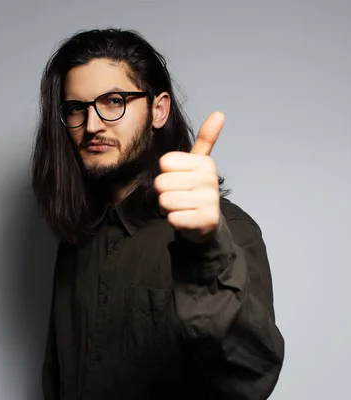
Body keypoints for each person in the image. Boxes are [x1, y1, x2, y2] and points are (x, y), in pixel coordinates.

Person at [31, 28, 285, 400]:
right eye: (76, 108)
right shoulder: (79, 238)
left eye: (114, 101)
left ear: (159, 109)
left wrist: (205, 249)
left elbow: (250, 375)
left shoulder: (226, 230)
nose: (93, 125)